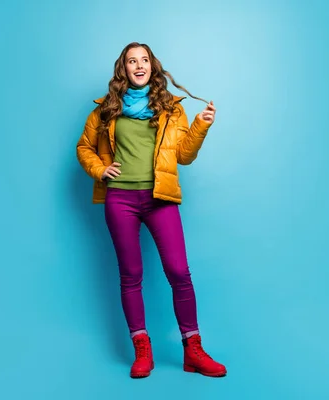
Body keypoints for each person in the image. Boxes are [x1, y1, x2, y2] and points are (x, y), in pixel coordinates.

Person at [76, 42, 226, 379]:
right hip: (120, 200)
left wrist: (201, 125)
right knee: (130, 276)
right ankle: (142, 349)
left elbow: (184, 156)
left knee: (178, 272)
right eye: (132, 61)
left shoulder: (171, 108)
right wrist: (100, 169)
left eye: (144, 60)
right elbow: (84, 147)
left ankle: (193, 350)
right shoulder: (105, 110)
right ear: (123, 69)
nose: (139, 65)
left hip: (160, 197)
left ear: (152, 66)